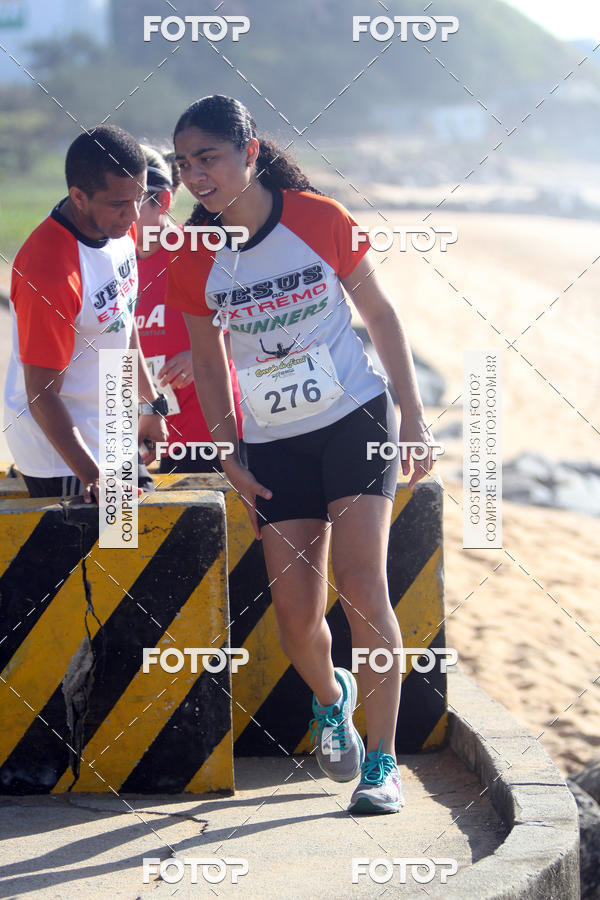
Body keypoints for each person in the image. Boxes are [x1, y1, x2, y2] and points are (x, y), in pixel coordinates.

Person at [166, 95, 436, 814]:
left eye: (209, 157)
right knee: (295, 618)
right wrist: (227, 453)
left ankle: (383, 764)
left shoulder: (318, 219)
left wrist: (411, 415)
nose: (195, 174)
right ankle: (331, 698)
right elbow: (208, 357)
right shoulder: (195, 257)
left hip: (354, 418)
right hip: (273, 445)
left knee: (362, 585)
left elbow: (379, 315)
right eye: (184, 162)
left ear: (249, 153)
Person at [3, 125, 167, 501]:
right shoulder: (49, 271)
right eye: (118, 204)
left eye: (138, 198)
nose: (132, 214)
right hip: (62, 455)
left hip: (113, 431)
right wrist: (95, 476)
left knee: (135, 544)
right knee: (106, 553)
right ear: (78, 196)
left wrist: (151, 403)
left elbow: (123, 324)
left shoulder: (120, 229)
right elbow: (42, 394)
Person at [135, 144, 243, 473]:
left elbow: (256, 326)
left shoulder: (198, 252)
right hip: (153, 429)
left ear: (163, 202)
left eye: (130, 204)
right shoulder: (113, 263)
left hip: (212, 430)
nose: (119, 216)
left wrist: (204, 355)